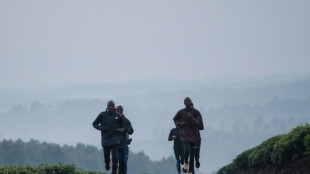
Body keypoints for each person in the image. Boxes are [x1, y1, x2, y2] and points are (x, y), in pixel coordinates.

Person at [93, 100, 125, 174]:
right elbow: (94, 124)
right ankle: (107, 164)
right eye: (109, 105)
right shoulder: (102, 115)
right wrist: (102, 128)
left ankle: (114, 173)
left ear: (114, 107)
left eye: (112, 105)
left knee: (115, 158)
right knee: (107, 159)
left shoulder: (118, 115)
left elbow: (123, 126)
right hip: (106, 140)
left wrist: (121, 129)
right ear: (107, 106)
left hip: (115, 140)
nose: (110, 107)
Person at [173, 97, 204, 174]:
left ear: (191, 102)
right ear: (184, 103)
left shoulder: (196, 112)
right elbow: (175, 119)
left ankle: (192, 169)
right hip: (185, 136)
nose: (187, 103)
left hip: (195, 137)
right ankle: (186, 164)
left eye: (188, 101)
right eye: (186, 101)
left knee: (194, 155)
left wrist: (192, 118)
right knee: (187, 151)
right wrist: (179, 124)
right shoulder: (181, 112)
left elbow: (201, 126)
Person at [115, 104, 134, 174]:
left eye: (121, 110)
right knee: (118, 163)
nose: (119, 111)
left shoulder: (126, 121)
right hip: (115, 146)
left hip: (124, 147)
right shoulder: (112, 121)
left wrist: (125, 129)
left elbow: (131, 131)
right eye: (118, 110)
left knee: (124, 163)